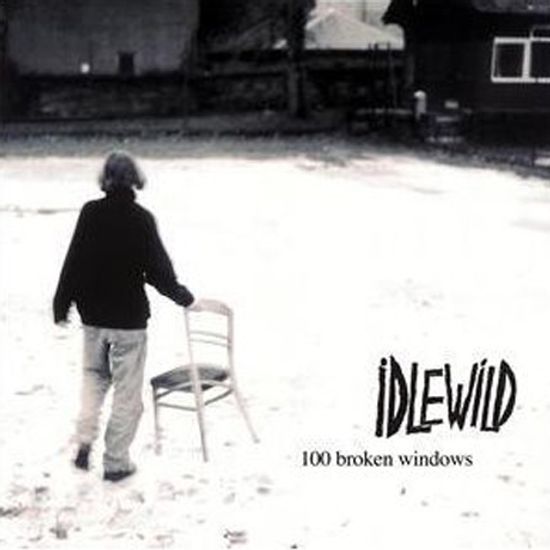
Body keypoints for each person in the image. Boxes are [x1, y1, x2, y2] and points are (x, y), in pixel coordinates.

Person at [53, 151, 195, 482]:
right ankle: (116, 461)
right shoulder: (141, 219)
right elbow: (159, 272)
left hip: (93, 318)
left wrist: (61, 303)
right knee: (127, 394)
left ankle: (85, 441)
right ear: (134, 179)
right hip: (129, 321)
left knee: (93, 380)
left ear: (105, 178)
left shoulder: (90, 213)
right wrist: (181, 295)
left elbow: (74, 261)